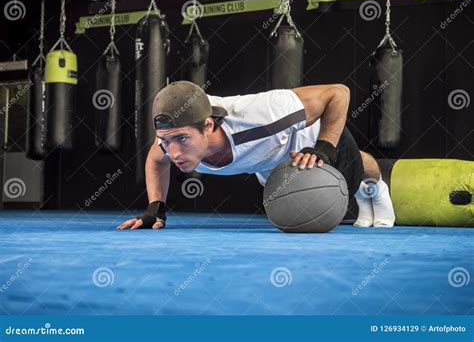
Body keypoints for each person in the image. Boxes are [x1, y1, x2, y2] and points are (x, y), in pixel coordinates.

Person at [117, 81, 395, 231]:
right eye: (166, 141)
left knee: (358, 168)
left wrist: (324, 147)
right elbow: (156, 159)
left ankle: (376, 186)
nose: (174, 153)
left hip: (306, 142)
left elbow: (338, 93)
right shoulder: (170, 135)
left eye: (182, 139)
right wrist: (156, 208)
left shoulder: (266, 112)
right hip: (269, 164)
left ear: (208, 125)